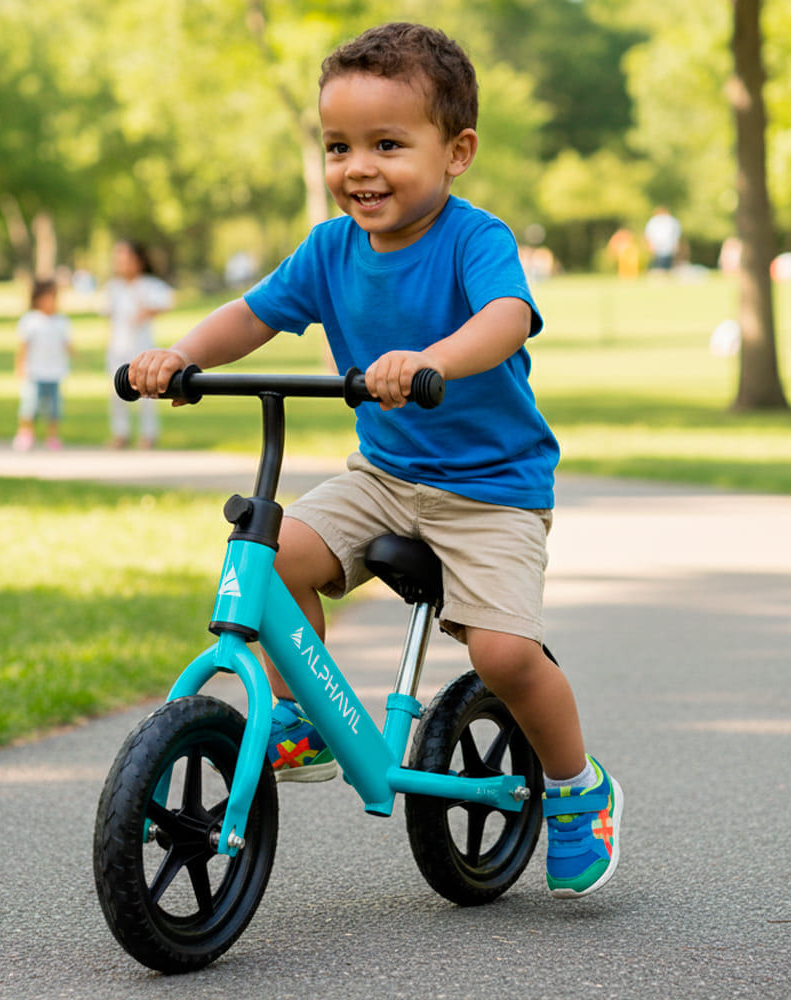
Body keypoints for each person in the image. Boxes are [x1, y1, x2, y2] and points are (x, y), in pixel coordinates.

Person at [126, 22, 622, 900]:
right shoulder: (329, 248)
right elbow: (253, 313)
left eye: (388, 145)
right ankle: (304, 718)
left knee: (505, 655)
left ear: (456, 151)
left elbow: (506, 316)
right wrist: (180, 356)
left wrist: (431, 357)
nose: (360, 167)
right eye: (339, 146)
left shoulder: (475, 239)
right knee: (273, 559)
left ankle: (579, 788)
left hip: (490, 489)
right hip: (384, 478)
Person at [102, 240, 174, 449]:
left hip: (142, 348)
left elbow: (165, 302)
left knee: (147, 393)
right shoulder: (114, 287)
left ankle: (148, 434)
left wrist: (146, 309)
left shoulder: (149, 285)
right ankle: (120, 433)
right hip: (117, 348)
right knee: (117, 393)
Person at [13, 278, 74, 451]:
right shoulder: (30, 321)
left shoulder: (62, 322)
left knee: (54, 409)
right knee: (29, 406)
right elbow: (23, 347)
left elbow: (67, 344)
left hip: (55, 372)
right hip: (35, 372)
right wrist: (20, 366)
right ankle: (25, 434)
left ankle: (53, 437)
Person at [643, 206, 682, 272]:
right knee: (657, 263)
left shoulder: (672, 221)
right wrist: (650, 244)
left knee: (667, 263)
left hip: (668, 246)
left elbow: (676, 235)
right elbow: (649, 234)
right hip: (657, 246)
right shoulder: (654, 221)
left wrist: (675, 244)